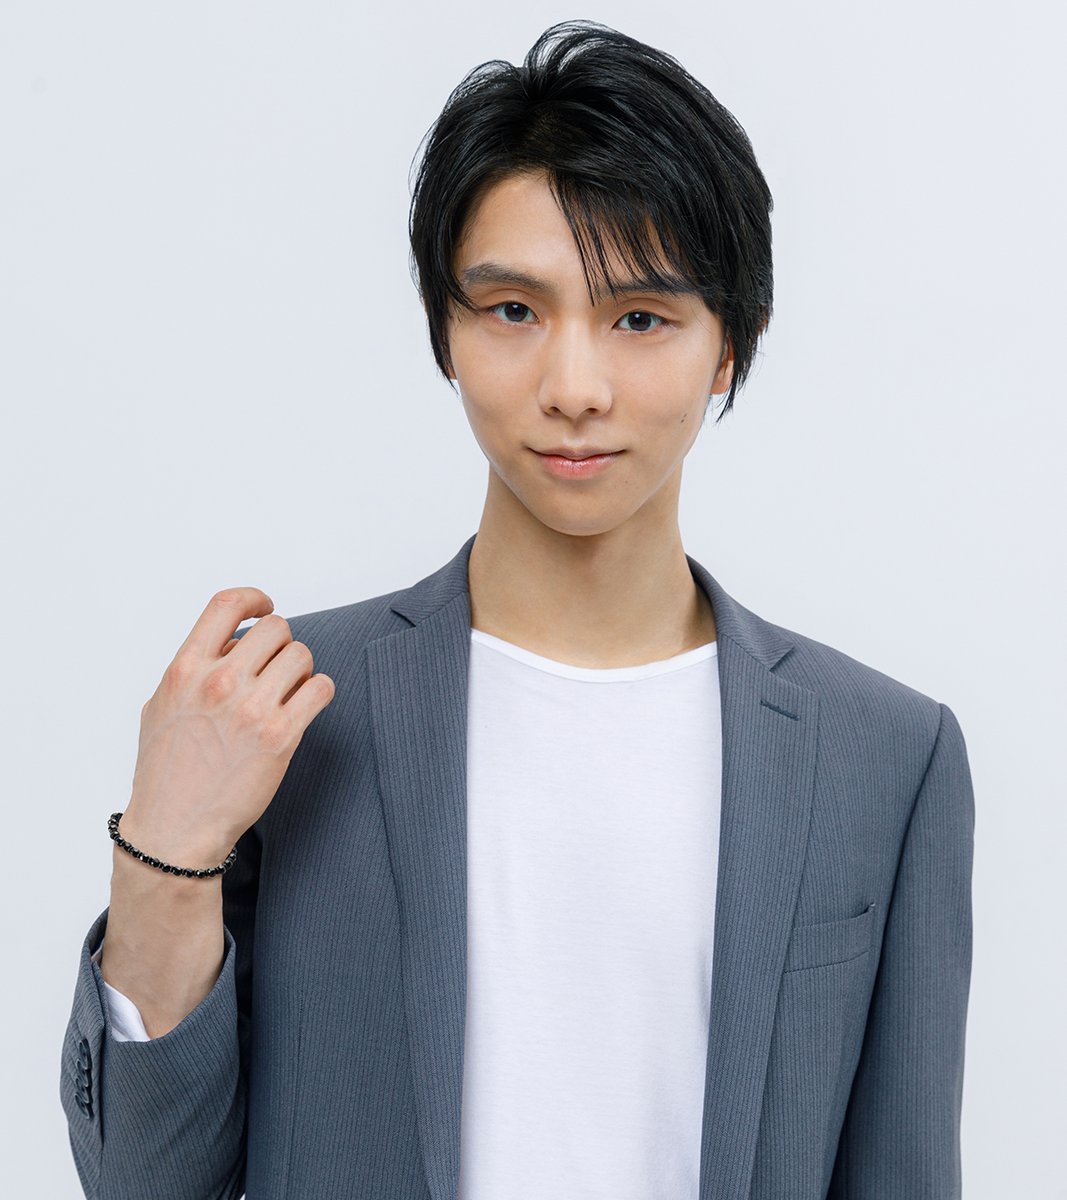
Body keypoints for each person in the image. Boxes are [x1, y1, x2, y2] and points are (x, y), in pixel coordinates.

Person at [59, 19, 975, 1200]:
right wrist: (165, 855)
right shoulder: (288, 710)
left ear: (728, 349)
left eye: (639, 318)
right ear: (443, 330)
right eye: (511, 310)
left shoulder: (883, 756)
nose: (573, 388)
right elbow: (143, 1182)